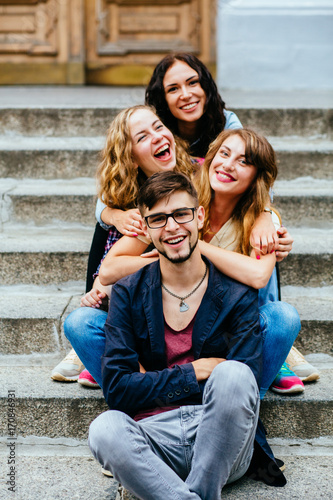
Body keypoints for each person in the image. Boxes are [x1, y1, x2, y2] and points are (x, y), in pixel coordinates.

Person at [87, 171, 286, 497]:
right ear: (147, 230)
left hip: (225, 442)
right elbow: (118, 390)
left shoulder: (236, 292)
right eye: (158, 219)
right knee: (104, 428)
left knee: (233, 375)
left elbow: (242, 382)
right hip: (154, 440)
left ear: (199, 216)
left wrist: (155, 383)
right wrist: (195, 371)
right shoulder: (127, 292)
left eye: (181, 214)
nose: (172, 227)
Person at [84, 129, 306, 397]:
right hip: (164, 332)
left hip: (226, 339)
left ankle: (240, 401)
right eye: (224, 154)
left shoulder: (262, 223)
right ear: (211, 158)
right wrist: (164, 256)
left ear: (258, 176)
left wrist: (192, 245)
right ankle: (152, 390)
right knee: (82, 323)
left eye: (244, 161)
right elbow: (108, 269)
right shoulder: (178, 201)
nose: (228, 165)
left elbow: (259, 276)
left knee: (283, 318)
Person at [51, 105, 193, 384]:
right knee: (83, 318)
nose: (156, 136)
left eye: (159, 126)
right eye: (142, 137)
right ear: (130, 158)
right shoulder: (134, 206)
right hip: (143, 294)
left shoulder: (199, 176)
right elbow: (112, 262)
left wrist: (268, 218)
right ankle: (110, 353)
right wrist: (112, 216)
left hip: (190, 293)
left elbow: (247, 194)